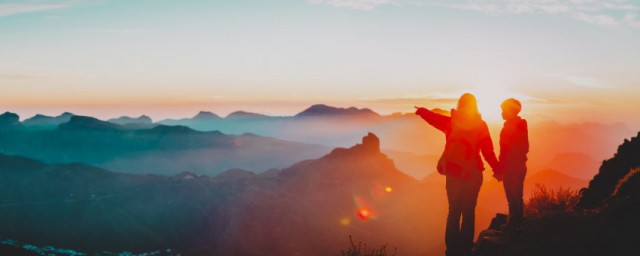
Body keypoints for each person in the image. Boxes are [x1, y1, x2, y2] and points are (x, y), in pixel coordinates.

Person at [415, 93, 499, 256]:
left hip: (453, 174)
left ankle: (452, 250)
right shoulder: (480, 125)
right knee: (468, 213)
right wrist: (498, 169)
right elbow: (488, 152)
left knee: (453, 213)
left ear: (459, 104)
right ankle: (465, 249)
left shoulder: (451, 122)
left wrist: (422, 111)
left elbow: (434, 118)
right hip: (473, 174)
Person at [494, 98, 529, 232]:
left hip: (510, 167)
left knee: (512, 197)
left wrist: (500, 169)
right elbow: (524, 148)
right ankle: (518, 224)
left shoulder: (510, 127)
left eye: (503, 110)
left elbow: (505, 151)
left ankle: (513, 225)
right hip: (520, 165)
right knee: (517, 196)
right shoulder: (521, 125)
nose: (501, 112)